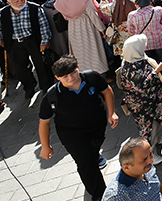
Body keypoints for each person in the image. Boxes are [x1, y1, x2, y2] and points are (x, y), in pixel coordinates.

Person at [38, 55, 119, 201]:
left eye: (73, 72)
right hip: (71, 134)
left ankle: (94, 155)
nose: (70, 78)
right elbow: (44, 122)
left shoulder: (92, 78)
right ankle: (99, 194)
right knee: (85, 163)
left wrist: (112, 112)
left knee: (93, 150)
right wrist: (45, 146)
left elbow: (107, 91)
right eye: (64, 76)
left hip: (97, 126)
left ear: (78, 68)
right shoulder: (52, 96)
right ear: (57, 77)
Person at [116, 35, 162, 164]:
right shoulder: (132, 68)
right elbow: (143, 85)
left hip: (152, 102)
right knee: (148, 130)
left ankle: (157, 140)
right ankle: (151, 155)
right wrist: (157, 70)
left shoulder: (131, 60)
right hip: (145, 107)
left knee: (156, 125)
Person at [0, 0, 52, 98]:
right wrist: (1, 40)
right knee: (18, 68)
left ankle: (46, 87)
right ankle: (29, 86)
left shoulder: (34, 8)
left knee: (41, 64)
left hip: (33, 40)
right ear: (9, 3)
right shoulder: (3, 12)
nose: (20, 2)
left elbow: (44, 25)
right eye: (16, 1)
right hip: (14, 42)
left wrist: (44, 41)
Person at [55, 0, 109, 75]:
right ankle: (98, 74)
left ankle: (83, 75)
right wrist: (102, 30)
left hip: (73, 29)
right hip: (88, 28)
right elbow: (94, 16)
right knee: (93, 50)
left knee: (80, 52)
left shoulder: (61, 0)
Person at [102, 137, 162, 201]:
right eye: (144, 159)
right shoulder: (116, 196)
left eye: (150, 154)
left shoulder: (148, 167)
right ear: (126, 167)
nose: (151, 161)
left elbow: (158, 188)